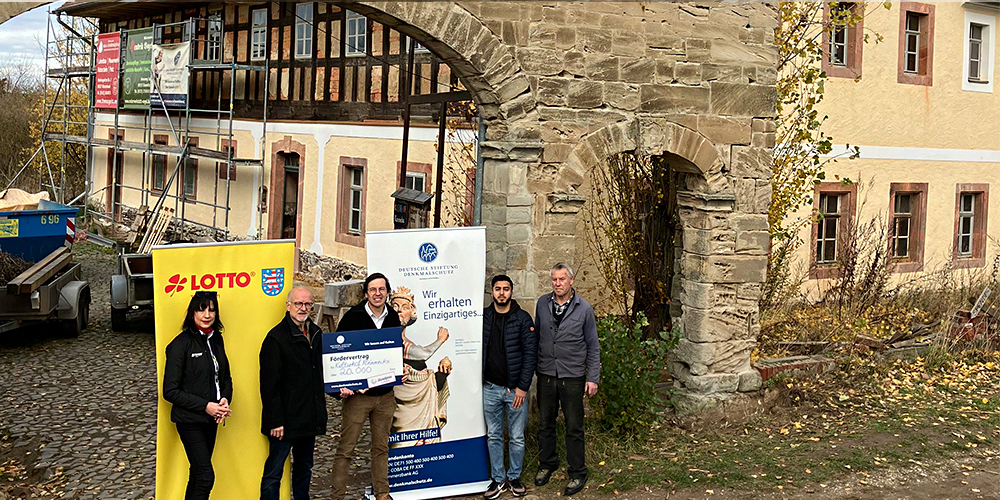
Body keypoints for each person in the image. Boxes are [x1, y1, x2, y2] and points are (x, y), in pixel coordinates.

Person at [331, 273, 401, 500]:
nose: (378, 293)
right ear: (366, 293)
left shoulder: (393, 318)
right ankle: (337, 495)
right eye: (373, 289)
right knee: (346, 449)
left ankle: (382, 493)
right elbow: (336, 355)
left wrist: (402, 369)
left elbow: (393, 352)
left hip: (385, 396)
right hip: (359, 397)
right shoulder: (353, 317)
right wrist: (341, 386)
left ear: (387, 292)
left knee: (381, 448)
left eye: (382, 289)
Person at [534, 263, 600, 497]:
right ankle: (547, 463)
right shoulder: (542, 303)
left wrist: (592, 377)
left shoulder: (584, 309)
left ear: (571, 280)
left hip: (572, 376)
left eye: (562, 279)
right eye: (554, 279)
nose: (557, 283)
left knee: (573, 426)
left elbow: (593, 345)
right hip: (547, 374)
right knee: (545, 424)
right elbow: (538, 337)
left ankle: (577, 471)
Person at [162, 291, 233, 500]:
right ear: (192, 312)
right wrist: (206, 406)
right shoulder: (179, 345)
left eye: (212, 309)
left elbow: (226, 377)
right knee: (205, 476)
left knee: (197, 474)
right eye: (201, 309)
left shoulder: (216, 339)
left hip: (211, 420)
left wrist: (224, 400)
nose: (207, 314)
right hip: (189, 420)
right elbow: (170, 391)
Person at [259, 287, 327, 500]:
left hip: (308, 417)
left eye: (307, 304)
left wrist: (337, 391)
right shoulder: (275, 338)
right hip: (285, 422)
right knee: (274, 473)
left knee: (304, 470)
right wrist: (275, 421)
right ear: (288, 306)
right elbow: (269, 385)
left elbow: (321, 373)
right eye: (298, 304)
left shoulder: (316, 333)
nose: (303, 308)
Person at [481, 275, 537, 499]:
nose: (501, 293)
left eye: (505, 289)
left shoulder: (523, 319)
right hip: (490, 388)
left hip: (515, 390)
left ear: (511, 292)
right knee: (493, 435)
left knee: (516, 437)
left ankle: (514, 477)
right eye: (497, 289)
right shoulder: (484, 317)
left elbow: (530, 355)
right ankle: (497, 479)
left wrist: (523, 387)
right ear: (492, 292)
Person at [389, 285, 452, 447]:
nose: (399, 311)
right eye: (394, 307)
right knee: (402, 445)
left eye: (404, 307)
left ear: (411, 313)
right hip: (403, 410)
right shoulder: (392, 340)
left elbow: (421, 375)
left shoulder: (408, 342)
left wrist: (441, 374)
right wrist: (440, 340)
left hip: (423, 406)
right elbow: (421, 354)